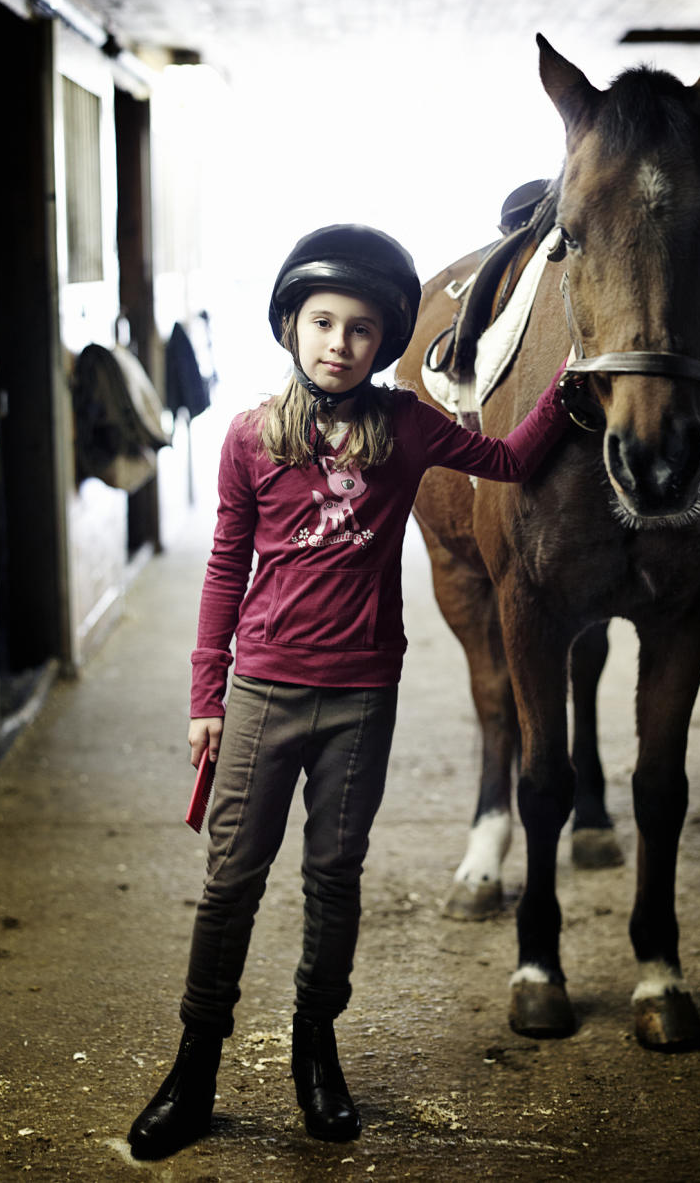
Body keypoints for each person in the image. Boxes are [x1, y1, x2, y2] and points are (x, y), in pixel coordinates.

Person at [127, 223, 575, 1161]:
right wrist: (208, 692)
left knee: (334, 879)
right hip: (261, 693)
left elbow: (508, 462)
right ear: (291, 326)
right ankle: (195, 1063)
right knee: (231, 882)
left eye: (362, 330)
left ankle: (315, 1050)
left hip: (362, 698)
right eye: (322, 322)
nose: (339, 342)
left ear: (386, 343)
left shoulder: (408, 428)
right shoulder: (250, 437)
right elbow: (221, 569)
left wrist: (571, 383)